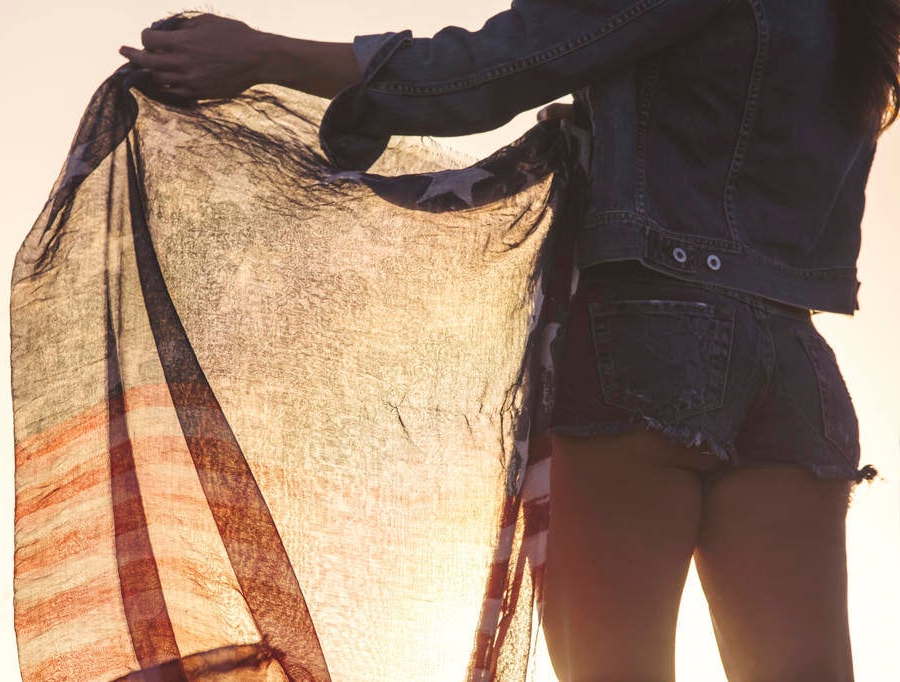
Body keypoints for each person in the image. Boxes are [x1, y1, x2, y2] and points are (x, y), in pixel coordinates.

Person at [120, 3, 898, 679]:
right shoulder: (860, 18)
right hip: (797, 367)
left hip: (651, 339)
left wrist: (266, 53)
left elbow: (493, 67)